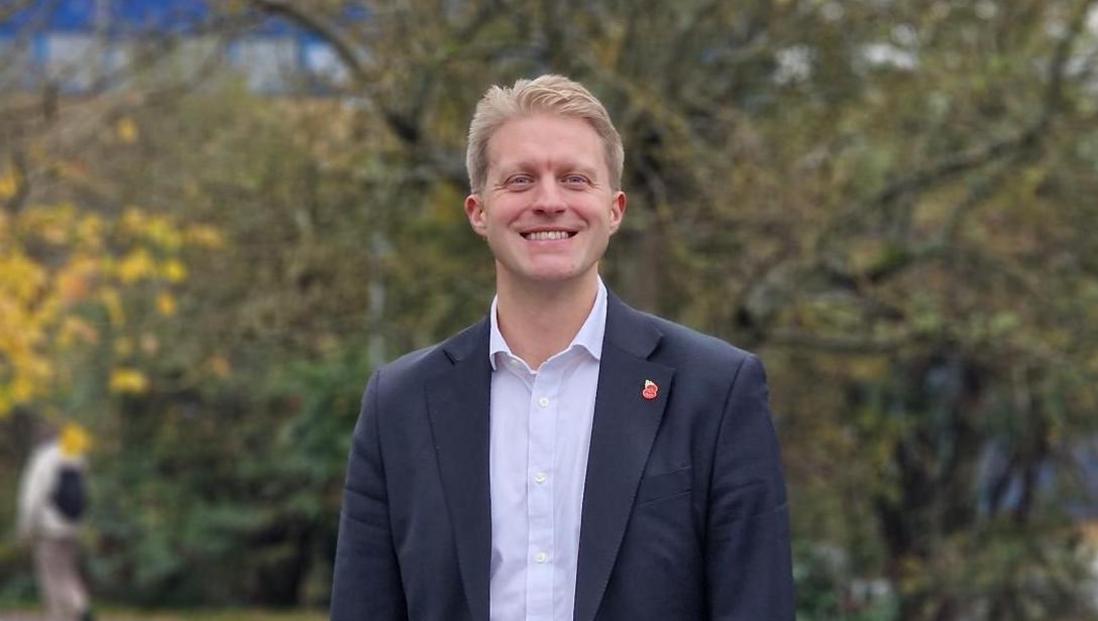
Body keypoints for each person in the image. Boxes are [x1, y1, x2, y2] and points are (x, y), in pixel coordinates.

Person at [331, 75, 794, 620]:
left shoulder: (716, 392)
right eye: (520, 180)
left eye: (575, 179)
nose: (549, 201)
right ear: (478, 211)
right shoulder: (399, 405)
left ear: (615, 209)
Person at [16, 422, 95, 621]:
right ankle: (81, 606)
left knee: (50, 574)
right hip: (72, 525)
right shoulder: (75, 456)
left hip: (49, 526)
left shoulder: (43, 458)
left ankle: (59, 616)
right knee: (67, 570)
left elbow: (32, 495)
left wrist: (25, 527)